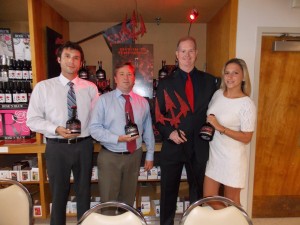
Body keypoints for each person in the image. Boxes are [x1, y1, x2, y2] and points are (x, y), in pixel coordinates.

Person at [26, 41, 99, 225]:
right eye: (67, 56)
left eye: (76, 58)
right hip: (57, 147)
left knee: (84, 193)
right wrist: (55, 129)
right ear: (59, 59)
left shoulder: (90, 88)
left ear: (81, 63)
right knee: (58, 194)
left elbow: (97, 118)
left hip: (83, 145)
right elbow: (32, 120)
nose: (71, 61)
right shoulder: (43, 88)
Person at [155, 36, 219, 225]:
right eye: (183, 51)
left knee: (198, 194)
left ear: (196, 54)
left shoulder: (210, 81)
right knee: (168, 193)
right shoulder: (165, 83)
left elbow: (216, 112)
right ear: (176, 54)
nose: (187, 55)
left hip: (199, 147)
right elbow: (157, 116)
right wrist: (170, 133)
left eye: (191, 51)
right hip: (173, 146)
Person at [89, 62, 155, 209]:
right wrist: (117, 138)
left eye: (129, 74)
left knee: (128, 200)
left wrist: (150, 154)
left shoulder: (142, 102)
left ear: (134, 79)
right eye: (122, 74)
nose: (126, 78)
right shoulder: (103, 101)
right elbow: (94, 129)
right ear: (115, 78)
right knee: (109, 201)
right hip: (110, 156)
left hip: (134, 155)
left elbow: (148, 130)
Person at [203, 58, 256, 208]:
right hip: (215, 156)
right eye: (227, 73)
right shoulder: (218, 94)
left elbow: (247, 137)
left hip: (233, 159)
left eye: (235, 73)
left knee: (232, 202)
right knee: (209, 197)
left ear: (243, 77)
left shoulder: (246, 104)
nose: (230, 77)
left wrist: (222, 128)